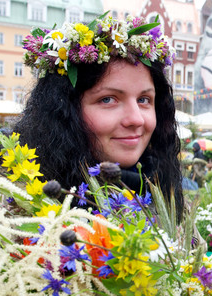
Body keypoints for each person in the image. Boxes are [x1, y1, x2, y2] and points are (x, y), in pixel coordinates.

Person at [15, 15, 183, 217]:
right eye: (108, 99)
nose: (136, 119)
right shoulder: (16, 202)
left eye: (144, 100)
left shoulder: (168, 195)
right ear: (65, 111)